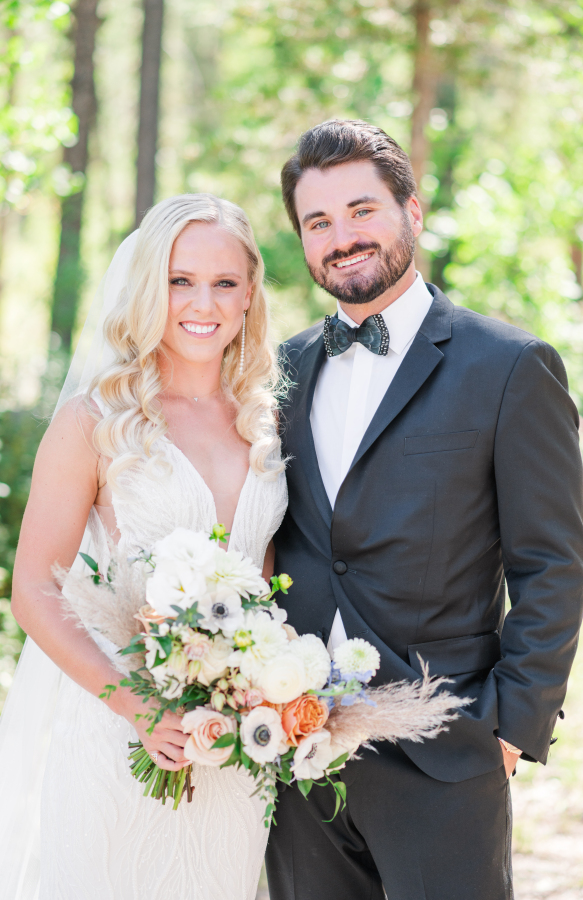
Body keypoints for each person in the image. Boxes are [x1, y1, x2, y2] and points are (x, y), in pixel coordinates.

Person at [266, 119, 583, 900]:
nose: (342, 237)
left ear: (411, 210)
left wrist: (512, 724)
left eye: (360, 210)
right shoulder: (279, 372)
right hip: (294, 748)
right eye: (318, 222)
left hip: (443, 747)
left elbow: (552, 560)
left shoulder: (508, 367)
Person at [0, 194, 287, 900]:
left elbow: (266, 587)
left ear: (249, 296)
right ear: (150, 286)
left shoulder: (266, 423)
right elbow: (34, 589)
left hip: (230, 746)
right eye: (181, 280)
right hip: (115, 731)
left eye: (223, 282)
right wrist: (142, 710)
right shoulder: (94, 421)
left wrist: (262, 693)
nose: (201, 302)